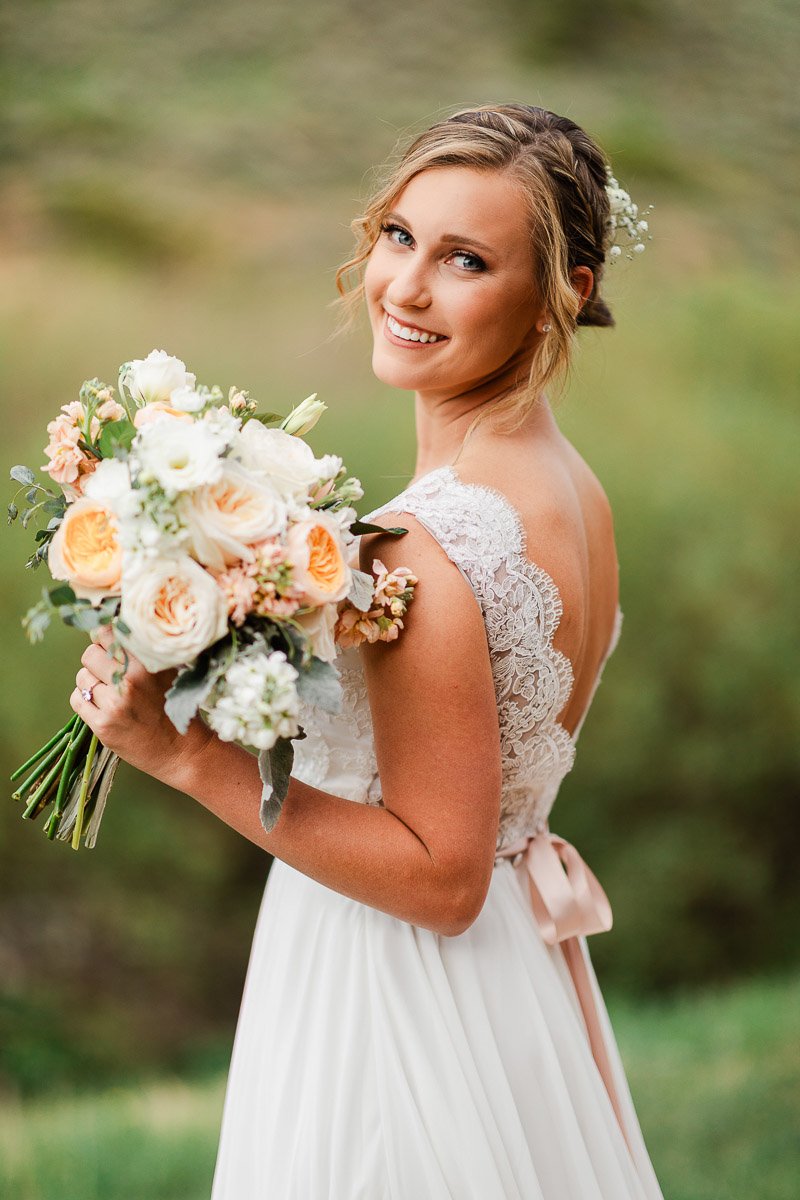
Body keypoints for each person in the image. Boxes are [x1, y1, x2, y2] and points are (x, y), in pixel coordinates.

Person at [72, 104, 665, 1198]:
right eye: (399, 236)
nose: (404, 287)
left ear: (565, 291)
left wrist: (184, 756)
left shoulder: (429, 548)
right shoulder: (570, 491)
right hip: (508, 981)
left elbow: (439, 877)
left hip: (395, 993)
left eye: (465, 260)